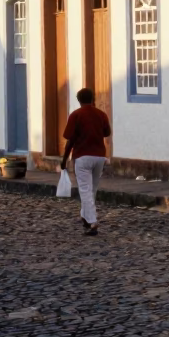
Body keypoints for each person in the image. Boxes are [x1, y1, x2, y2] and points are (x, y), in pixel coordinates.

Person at [60, 88, 112, 236]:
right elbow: (107, 132)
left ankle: (92, 222)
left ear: (78, 100)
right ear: (92, 98)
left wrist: (64, 159)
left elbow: (70, 140)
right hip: (99, 157)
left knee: (85, 190)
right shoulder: (101, 114)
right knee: (92, 189)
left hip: (82, 157)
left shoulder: (76, 115)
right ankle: (85, 216)